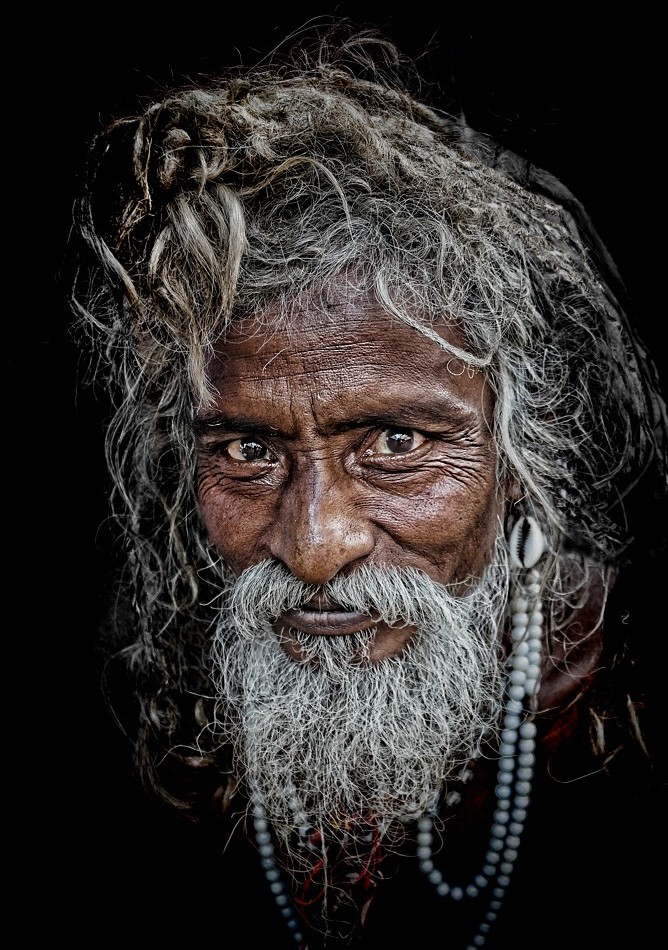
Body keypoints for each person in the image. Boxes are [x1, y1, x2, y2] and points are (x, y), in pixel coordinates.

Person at [66, 25, 667, 949]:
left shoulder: (625, 723)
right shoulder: (135, 705)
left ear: (522, 457)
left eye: (395, 442)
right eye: (248, 453)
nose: (313, 545)